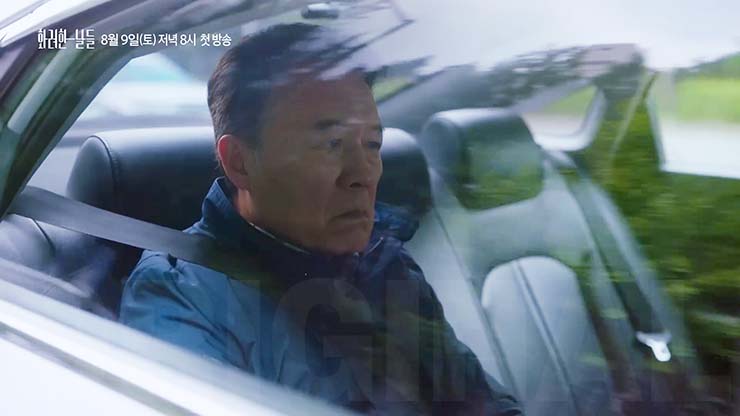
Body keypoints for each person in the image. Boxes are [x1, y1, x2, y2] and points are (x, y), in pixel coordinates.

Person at [119, 23, 521, 415]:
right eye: (331, 144)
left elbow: (479, 400)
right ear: (240, 163)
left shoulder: (384, 261)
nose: (364, 174)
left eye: (373, 144)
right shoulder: (180, 294)